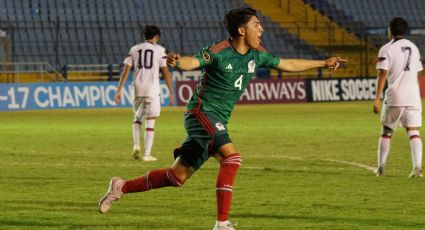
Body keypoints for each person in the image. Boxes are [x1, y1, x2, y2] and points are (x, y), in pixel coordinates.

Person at [100, 8, 346, 229]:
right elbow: (193, 61)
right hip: (200, 112)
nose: (262, 29)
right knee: (232, 157)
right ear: (242, 30)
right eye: (256, 24)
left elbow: (287, 63)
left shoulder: (258, 54)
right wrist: (179, 62)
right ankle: (222, 223)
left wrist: (323, 63)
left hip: (215, 119)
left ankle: (120, 186)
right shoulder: (219, 51)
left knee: (177, 177)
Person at [114, 25, 175, 162]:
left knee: (137, 117)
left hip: (137, 88)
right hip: (152, 89)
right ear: (156, 37)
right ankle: (147, 154)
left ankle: (136, 145)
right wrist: (171, 92)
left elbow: (126, 70)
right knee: (151, 120)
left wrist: (119, 90)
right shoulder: (160, 50)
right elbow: (165, 73)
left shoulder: (134, 49)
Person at [373, 17, 423, 178]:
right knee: (413, 132)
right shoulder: (414, 48)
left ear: (390, 30)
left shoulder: (386, 49)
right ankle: (417, 167)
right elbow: (418, 71)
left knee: (387, 131)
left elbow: (382, 73)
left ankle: (381, 168)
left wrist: (377, 98)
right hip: (414, 96)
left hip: (395, 95)